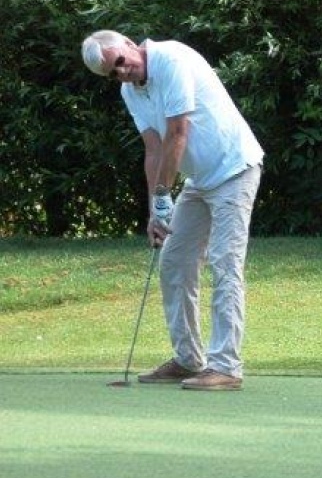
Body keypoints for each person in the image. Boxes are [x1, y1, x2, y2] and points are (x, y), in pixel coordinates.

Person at [82, 31, 266, 391]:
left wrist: (165, 193)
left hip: (234, 169)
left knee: (224, 263)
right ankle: (188, 359)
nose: (122, 73)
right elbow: (153, 150)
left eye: (120, 62)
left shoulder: (171, 60)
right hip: (200, 180)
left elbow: (178, 133)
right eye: (112, 74)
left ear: (129, 45)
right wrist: (156, 209)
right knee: (174, 260)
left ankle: (226, 367)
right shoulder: (130, 92)